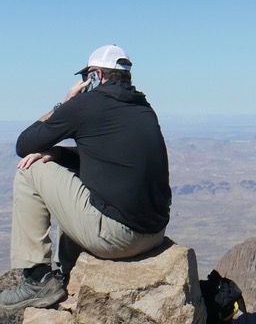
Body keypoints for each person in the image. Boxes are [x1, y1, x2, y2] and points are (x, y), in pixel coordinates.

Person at [0, 44, 171, 313]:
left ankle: (37, 280)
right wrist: (58, 154)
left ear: (96, 77)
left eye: (85, 77)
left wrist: (64, 104)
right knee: (69, 175)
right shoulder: (142, 107)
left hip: (119, 240)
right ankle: (69, 270)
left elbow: (25, 144)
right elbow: (112, 158)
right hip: (154, 233)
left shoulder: (84, 106)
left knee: (30, 169)